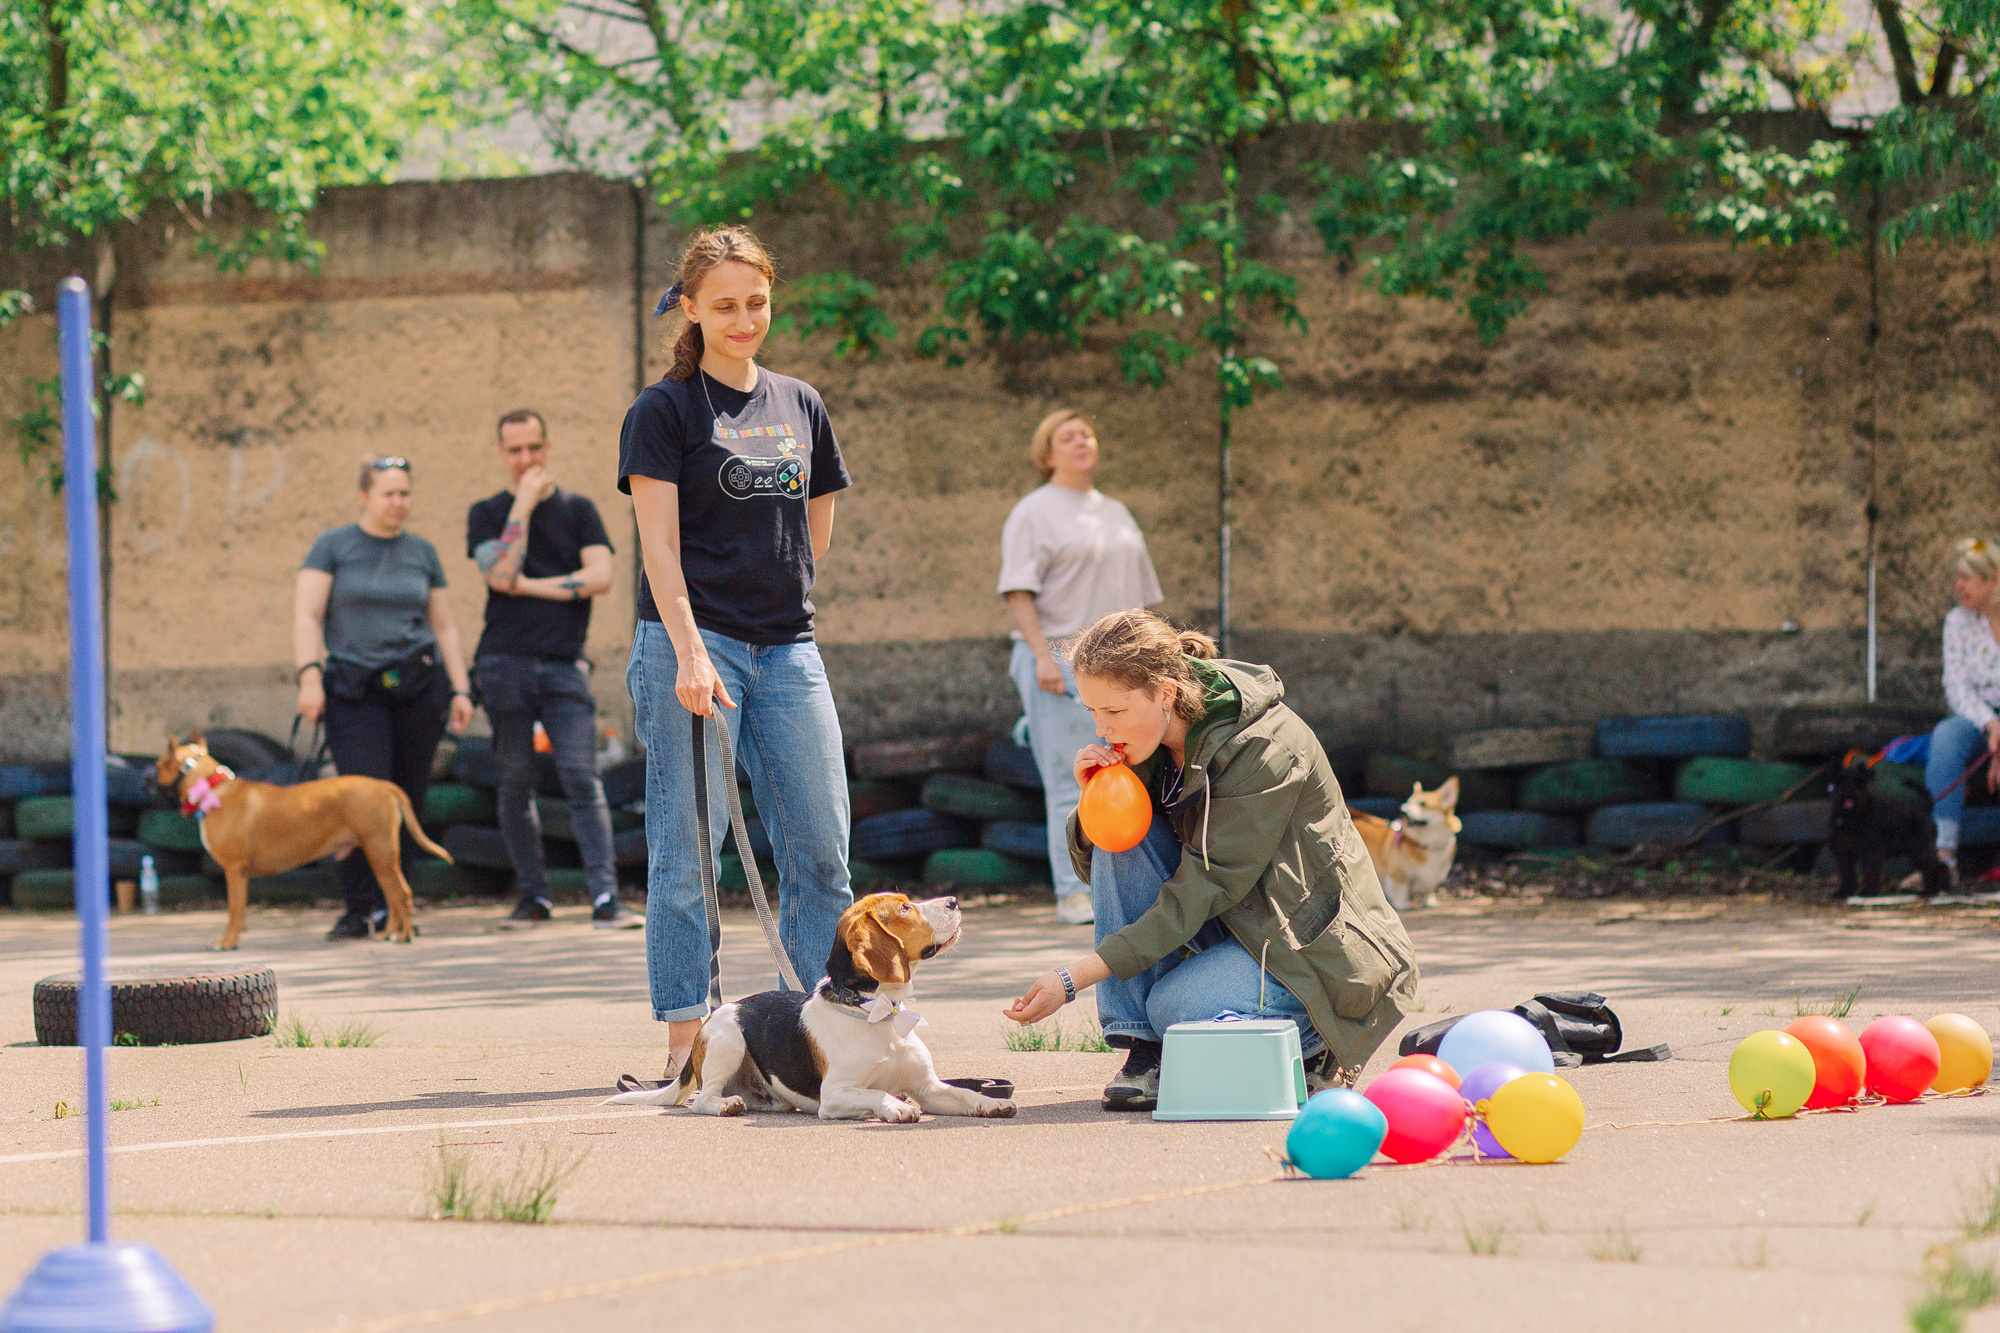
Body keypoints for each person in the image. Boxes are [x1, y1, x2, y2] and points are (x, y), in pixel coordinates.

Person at [1003, 609, 1419, 1111]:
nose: (1101, 728)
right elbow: (1109, 871)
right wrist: (1099, 793)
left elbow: (1207, 884)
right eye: (1092, 712)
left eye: (1113, 712)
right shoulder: (1148, 739)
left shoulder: (1265, 747)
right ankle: (1145, 1049)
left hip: (1311, 948)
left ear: (1165, 694)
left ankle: (1317, 1043)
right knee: (1121, 843)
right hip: (1237, 924)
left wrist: (1072, 979)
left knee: (1174, 1006)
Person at [618, 226, 854, 1084]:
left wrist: (772, 588)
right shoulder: (665, 410)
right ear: (689, 308)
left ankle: (826, 1033)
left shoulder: (800, 402)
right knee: (691, 849)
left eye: (756, 301)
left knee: (822, 847)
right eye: (724, 305)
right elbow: (659, 548)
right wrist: (688, 650)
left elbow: (813, 527)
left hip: (789, 646)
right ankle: (687, 1048)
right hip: (694, 643)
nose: (744, 318)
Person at [467, 408, 638, 928]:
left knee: (581, 778)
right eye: (515, 450)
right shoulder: (485, 511)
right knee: (515, 784)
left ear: (547, 446)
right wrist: (521, 503)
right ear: (501, 453)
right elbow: (500, 574)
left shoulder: (579, 509)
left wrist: (529, 587)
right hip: (503, 664)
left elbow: (602, 577)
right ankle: (533, 898)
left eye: (534, 448)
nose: (526, 459)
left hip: (565, 665)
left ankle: (605, 898)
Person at [296, 457, 474, 939]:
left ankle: (396, 908)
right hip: (355, 691)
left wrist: (460, 687)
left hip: (418, 688)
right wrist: (309, 676)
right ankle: (358, 910)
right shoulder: (333, 546)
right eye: (388, 494)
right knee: (358, 799)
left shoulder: (422, 551)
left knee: (405, 798)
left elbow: (444, 625)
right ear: (364, 496)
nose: (398, 503)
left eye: (405, 494)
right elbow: (308, 615)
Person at [998, 409, 1163, 926]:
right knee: (1074, 778)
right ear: (1046, 454)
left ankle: (1131, 889)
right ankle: (1073, 892)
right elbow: (1018, 591)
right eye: (1066, 437)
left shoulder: (1115, 511)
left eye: (1086, 434)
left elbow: (1141, 600)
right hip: (1060, 664)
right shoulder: (1034, 511)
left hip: (1124, 663)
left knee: (1135, 777)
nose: (1081, 442)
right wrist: (1043, 658)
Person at [1927, 536, 2000, 876]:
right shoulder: (1957, 622)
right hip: (1979, 719)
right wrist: (1991, 725)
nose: (1959, 586)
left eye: (1967, 578)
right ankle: (1945, 858)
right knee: (1945, 737)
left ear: (1993, 580)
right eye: (1957, 578)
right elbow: (1955, 685)